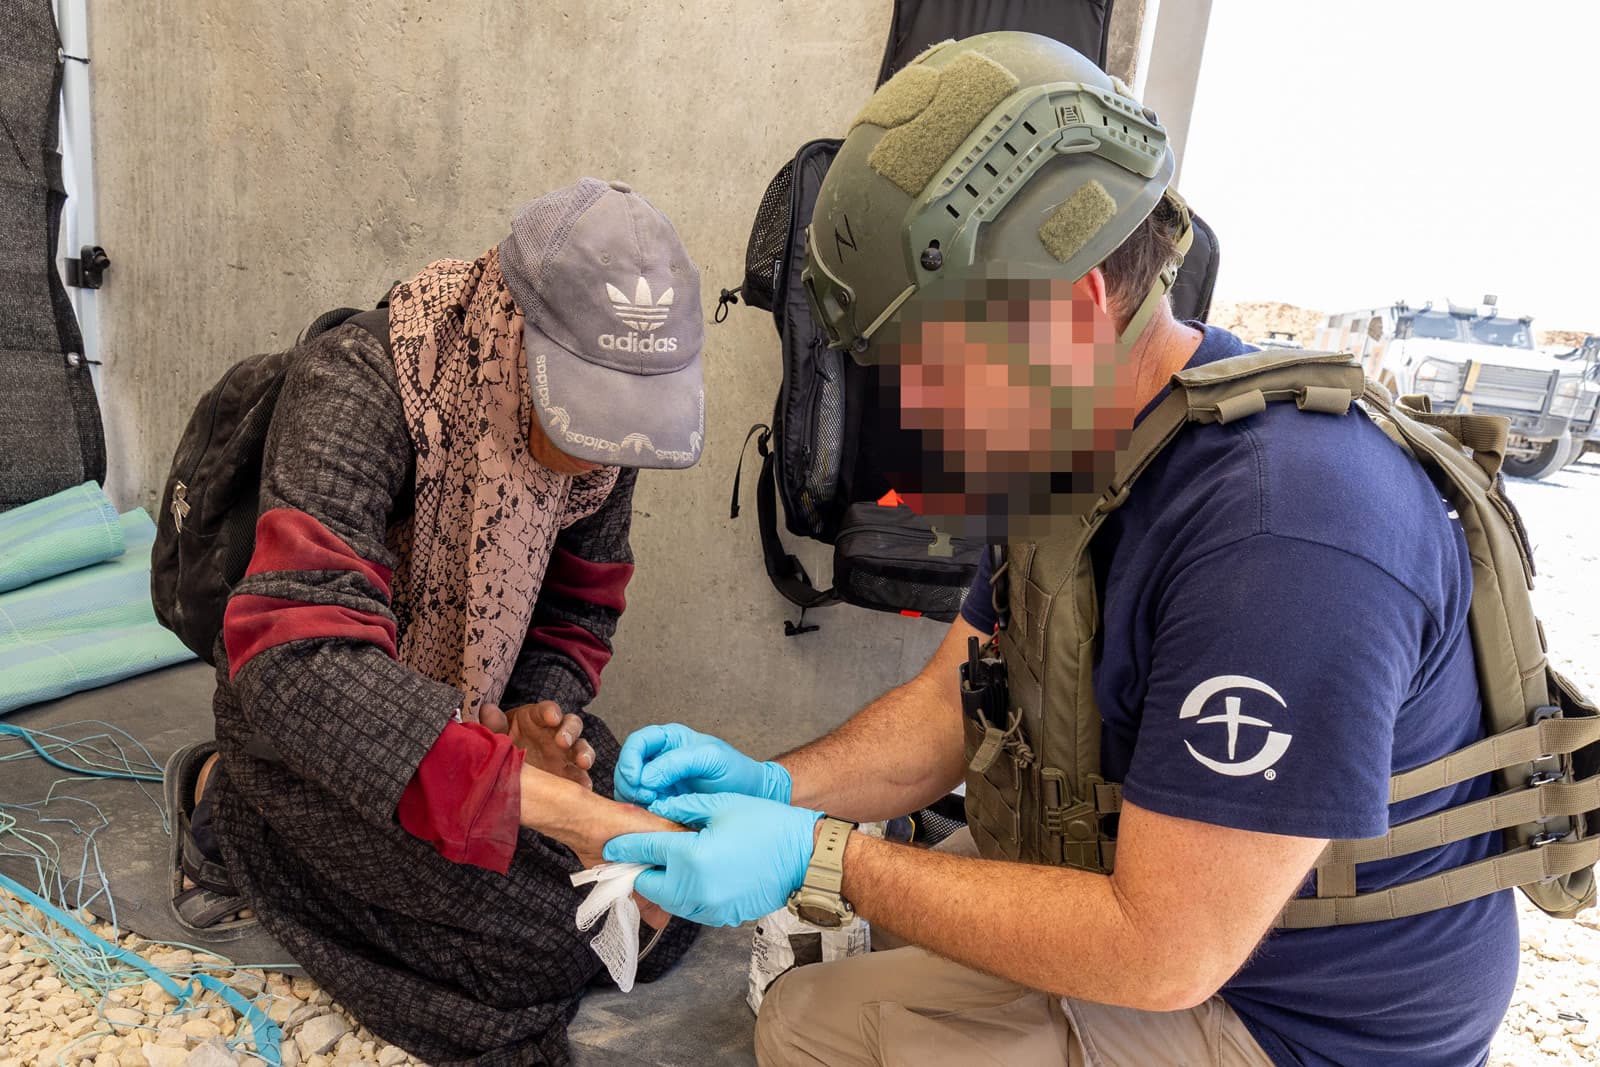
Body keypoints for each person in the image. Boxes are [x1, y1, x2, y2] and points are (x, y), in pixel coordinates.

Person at [604, 34, 1518, 1067]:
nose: (914, 409)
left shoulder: (1283, 533)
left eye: (929, 364)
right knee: (884, 932)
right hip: (1190, 923)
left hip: (1301, 1024)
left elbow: (1164, 946)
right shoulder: (1075, 439)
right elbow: (956, 699)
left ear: (1070, 308)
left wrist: (822, 859)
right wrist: (776, 786)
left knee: (814, 1026)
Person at [168, 177, 706, 1065]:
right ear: (517, 327)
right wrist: (562, 811)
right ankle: (236, 804)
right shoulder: (361, 380)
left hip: (476, 719)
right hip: (313, 727)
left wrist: (541, 713)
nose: (605, 444)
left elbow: (579, 601)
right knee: (541, 949)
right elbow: (301, 661)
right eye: (591, 406)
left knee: (673, 901)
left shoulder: (608, 423)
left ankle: (279, 821)